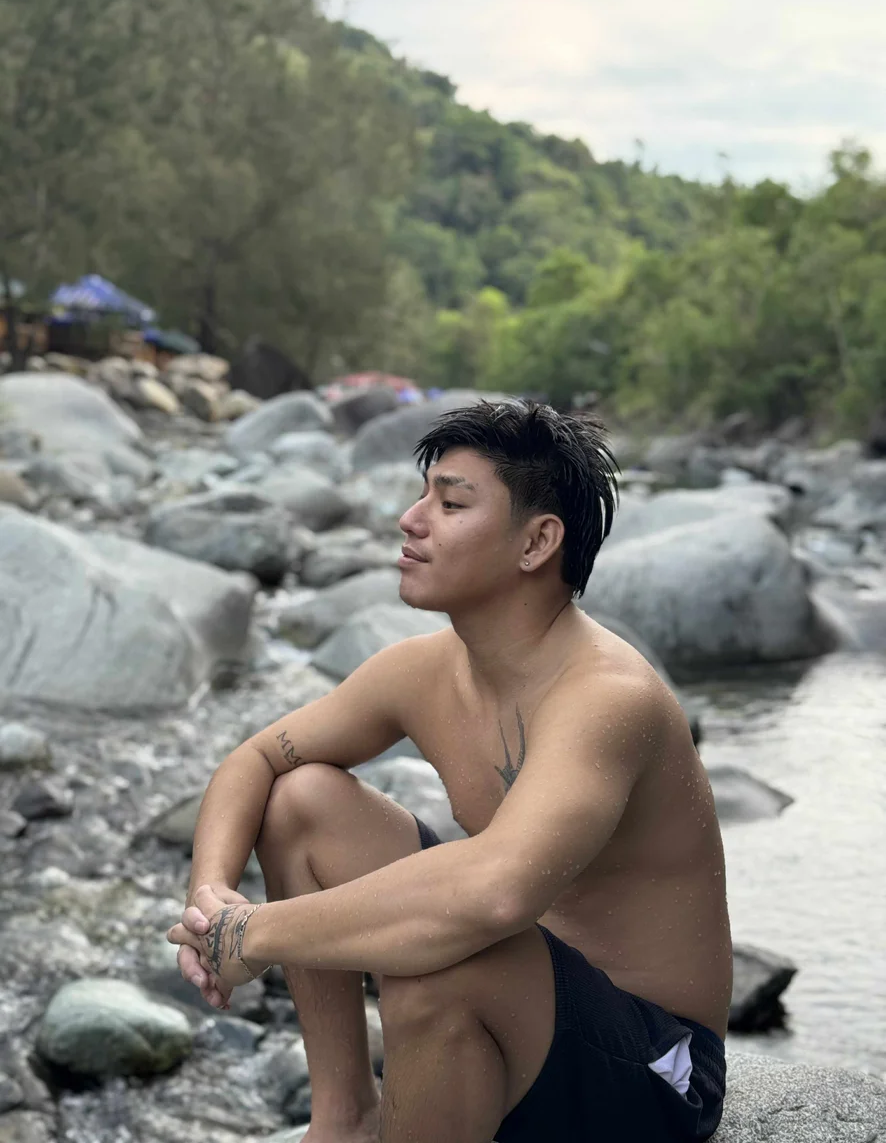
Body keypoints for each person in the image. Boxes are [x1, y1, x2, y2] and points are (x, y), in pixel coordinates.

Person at [168, 399, 731, 1143]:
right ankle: (344, 1119)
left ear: (537, 542)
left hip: (657, 1064)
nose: (411, 519)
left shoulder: (605, 697)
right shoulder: (425, 670)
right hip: (527, 991)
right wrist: (210, 902)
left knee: (439, 970)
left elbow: (495, 893)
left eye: (452, 503)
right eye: (423, 495)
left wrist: (254, 935)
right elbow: (257, 758)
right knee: (302, 800)